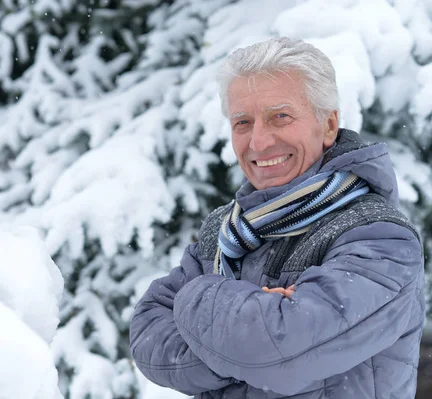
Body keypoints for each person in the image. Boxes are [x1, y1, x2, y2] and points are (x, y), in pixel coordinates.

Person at [129, 37, 425, 399]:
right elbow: (148, 334)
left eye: (279, 117)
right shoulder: (228, 229)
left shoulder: (379, 237)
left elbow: (280, 352)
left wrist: (198, 298)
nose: (258, 142)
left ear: (328, 125)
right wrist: (246, 331)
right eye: (242, 122)